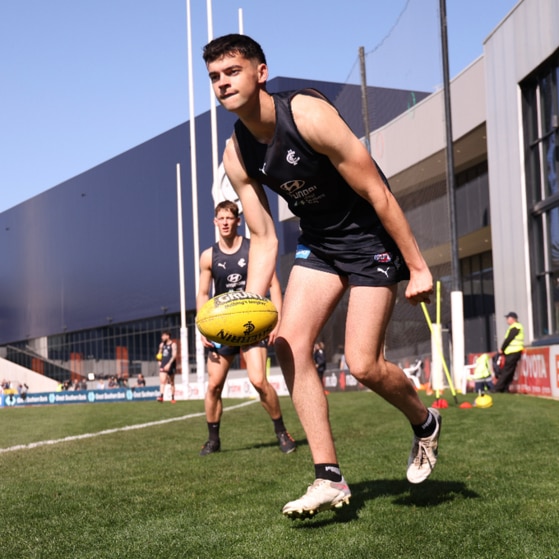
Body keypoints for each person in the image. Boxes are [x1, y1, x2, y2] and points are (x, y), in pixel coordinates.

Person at [202, 34, 441, 518]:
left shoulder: (307, 115)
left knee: (363, 364)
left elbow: (377, 190)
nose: (223, 84)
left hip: (370, 237)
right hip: (320, 241)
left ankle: (425, 421)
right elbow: (265, 236)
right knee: (287, 342)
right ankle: (328, 477)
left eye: (232, 72)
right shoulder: (237, 154)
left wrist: (417, 265)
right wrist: (251, 302)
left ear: (260, 73)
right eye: (214, 78)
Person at [196, 200, 296, 456]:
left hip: (251, 326)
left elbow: (274, 285)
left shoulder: (253, 250)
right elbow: (202, 293)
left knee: (259, 381)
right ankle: (213, 440)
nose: (226, 222)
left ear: (238, 221)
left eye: (230, 218)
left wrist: (277, 320)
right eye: (222, 218)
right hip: (222, 328)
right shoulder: (208, 256)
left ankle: (282, 432)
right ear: (215, 222)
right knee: (214, 386)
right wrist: (203, 326)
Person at [493, 312, 524, 393]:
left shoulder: (515, 327)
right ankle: (505, 388)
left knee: (506, 371)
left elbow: (509, 339)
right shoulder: (514, 327)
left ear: (512, 319)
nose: (507, 320)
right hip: (513, 352)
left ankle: (498, 388)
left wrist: (502, 349)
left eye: (508, 318)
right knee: (510, 371)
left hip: (514, 352)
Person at [157, 331, 177, 403]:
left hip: (171, 365)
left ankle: (173, 397)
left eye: (163, 336)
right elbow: (159, 354)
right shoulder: (161, 345)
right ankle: (161, 396)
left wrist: (169, 364)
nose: (162, 337)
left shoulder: (173, 344)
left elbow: (174, 355)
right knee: (162, 381)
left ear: (168, 336)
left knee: (171, 382)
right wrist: (159, 362)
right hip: (163, 365)